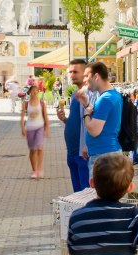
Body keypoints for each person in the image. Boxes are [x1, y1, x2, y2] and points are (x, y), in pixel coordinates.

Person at [78, 62, 123, 166]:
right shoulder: (112, 94)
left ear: (96, 76)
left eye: (86, 76)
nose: (84, 80)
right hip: (106, 153)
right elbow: (105, 123)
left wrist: (86, 113)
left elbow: (94, 130)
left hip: (103, 156)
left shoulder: (105, 99)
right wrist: (87, 105)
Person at [58, 59, 92, 192]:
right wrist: (65, 120)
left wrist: (87, 145)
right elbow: (78, 120)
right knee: (77, 193)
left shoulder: (89, 93)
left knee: (85, 192)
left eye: (75, 72)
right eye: (70, 72)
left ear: (85, 73)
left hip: (82, 151)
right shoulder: (75, 94)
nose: (72, 75)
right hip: (72, 151)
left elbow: (93, 121)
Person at [17, 83, 52, 179]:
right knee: (32, 150)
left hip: (40, 127)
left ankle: (40, 169)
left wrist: (47, 127)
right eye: (33, 91)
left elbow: (45, 116)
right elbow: (22, 117)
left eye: (36, 91)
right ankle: (34, 170)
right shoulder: (26, 103)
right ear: (30, 92)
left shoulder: (41, 103)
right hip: (30, 128)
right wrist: (23, 128)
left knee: (39, 148)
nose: (35, 92)